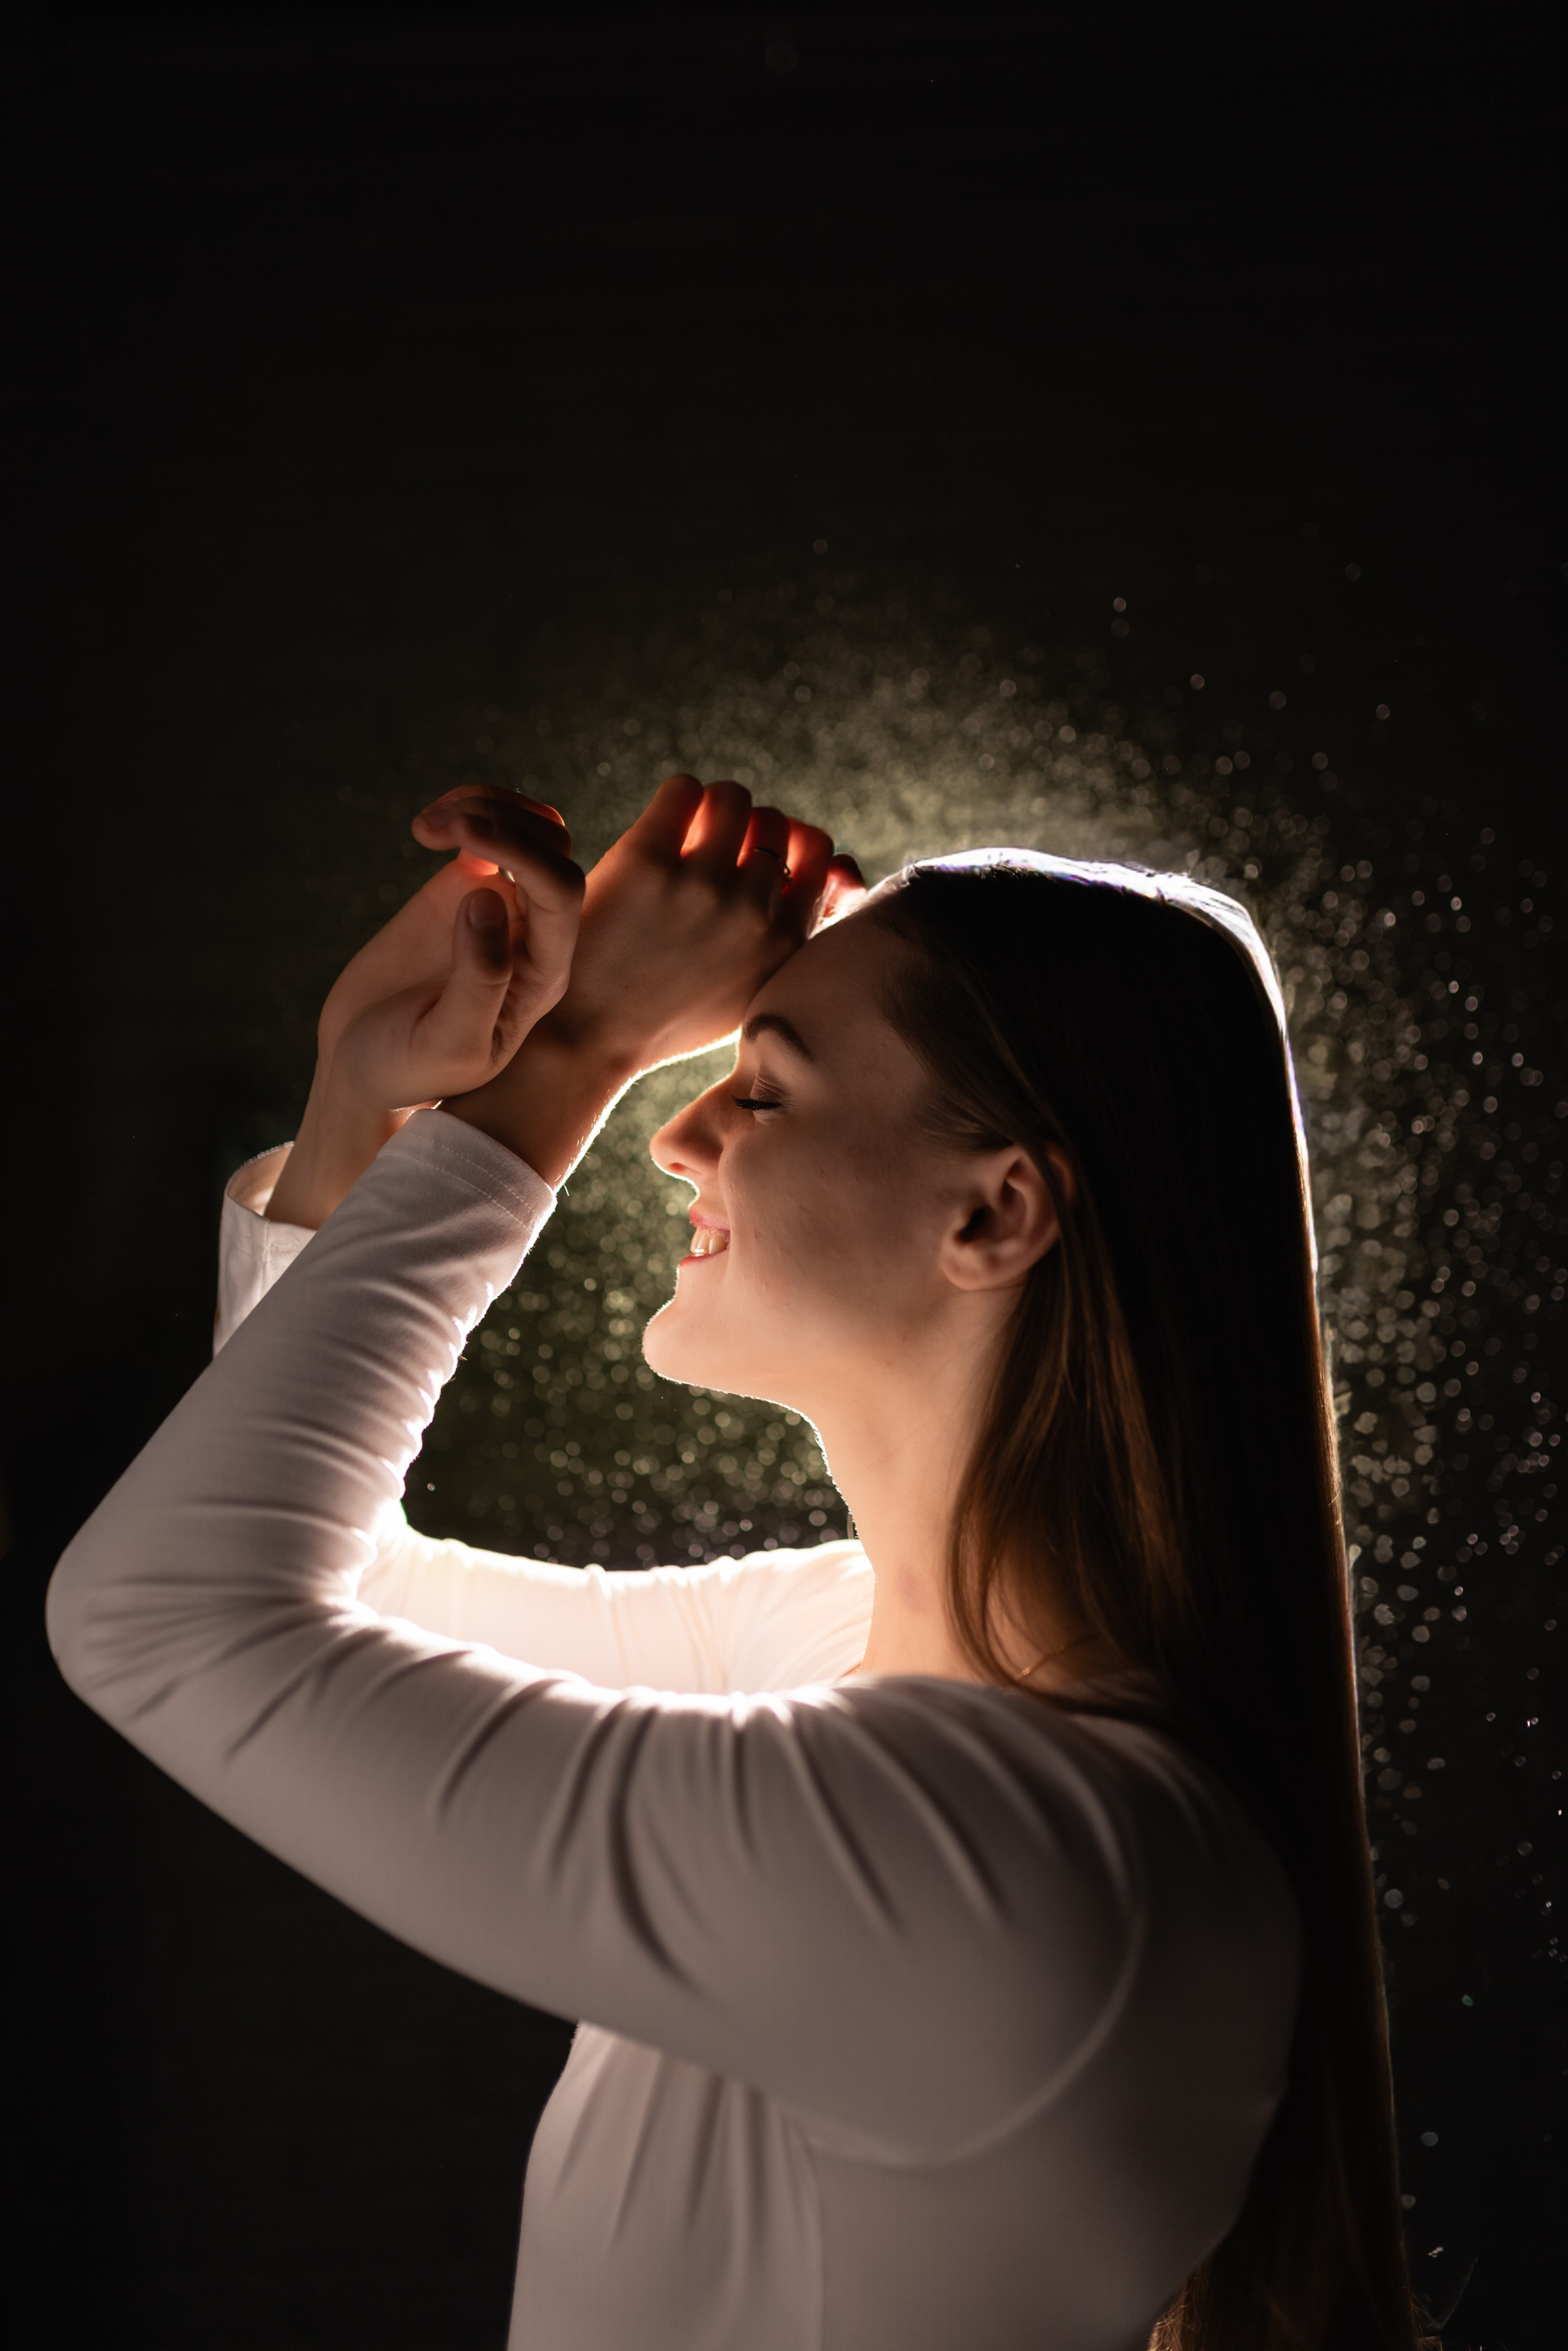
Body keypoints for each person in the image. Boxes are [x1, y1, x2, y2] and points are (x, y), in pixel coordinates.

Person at [48, 774, 1428, 2350]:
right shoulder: (858, 1653)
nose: (673, 1134)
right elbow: (328, 1586)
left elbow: (166, 1611)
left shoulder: (1006, 1855)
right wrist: (359, 1109)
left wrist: (573, 1053)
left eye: (761, 1093)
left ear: (997, 1211)